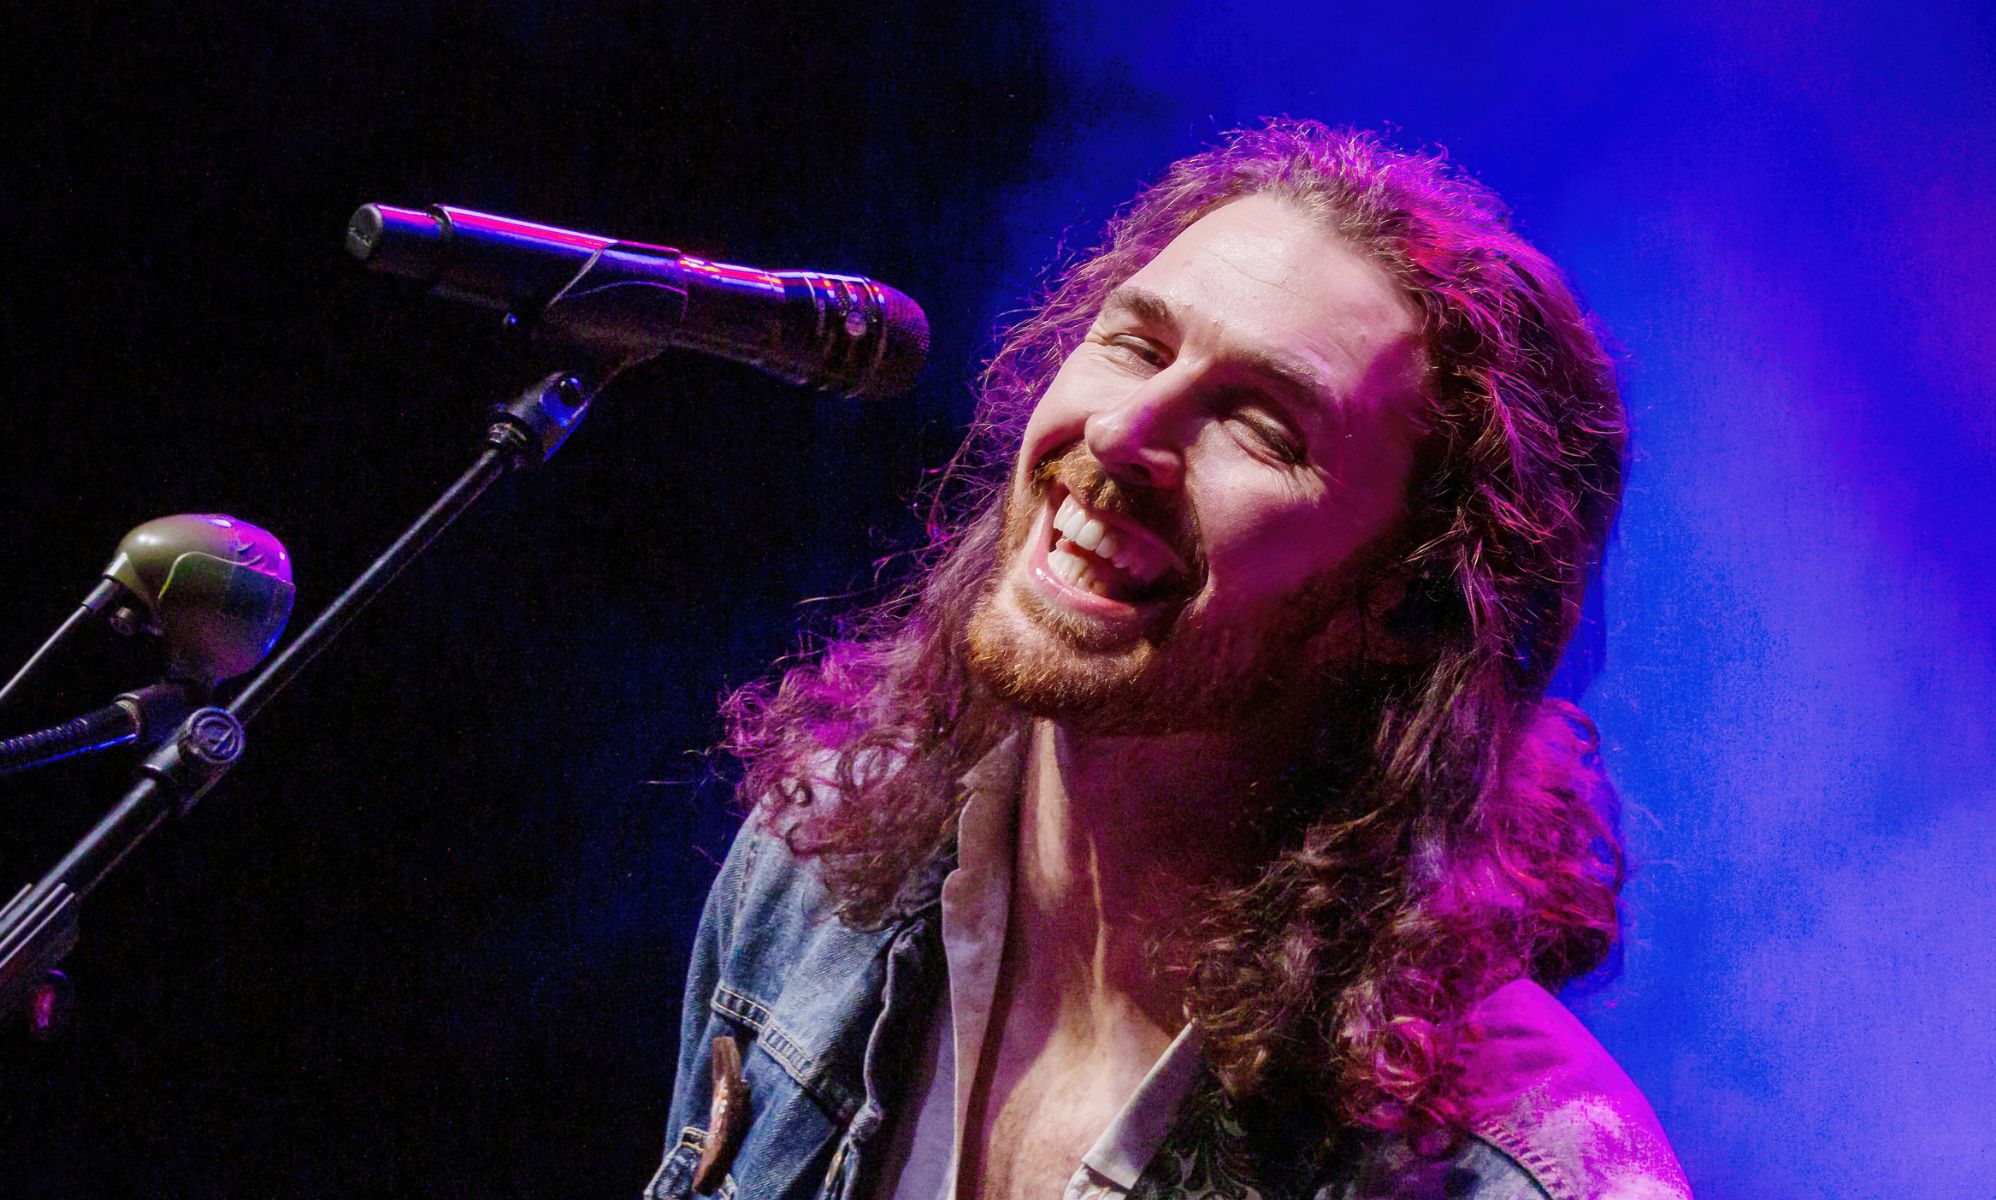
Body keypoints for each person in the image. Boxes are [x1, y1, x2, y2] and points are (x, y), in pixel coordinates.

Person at [646, 121, 1691, 1200]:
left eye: (1260, 426)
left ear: (1410, 598)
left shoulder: (1509, 1177)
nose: (1119, 433)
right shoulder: (815, 857)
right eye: (1135, 346)